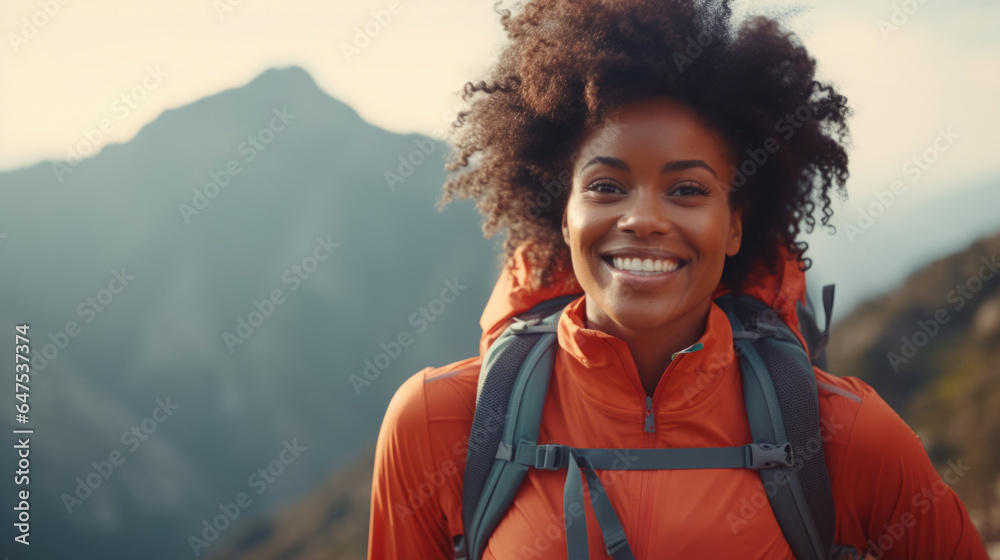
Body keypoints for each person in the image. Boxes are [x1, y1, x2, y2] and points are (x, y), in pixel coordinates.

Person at [367, 0, 990, 558]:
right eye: (606, 186)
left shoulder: (846, 436)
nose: (642, 218)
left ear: (735, 226)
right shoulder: (436, 424)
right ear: (563, 214)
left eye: (687, 190)